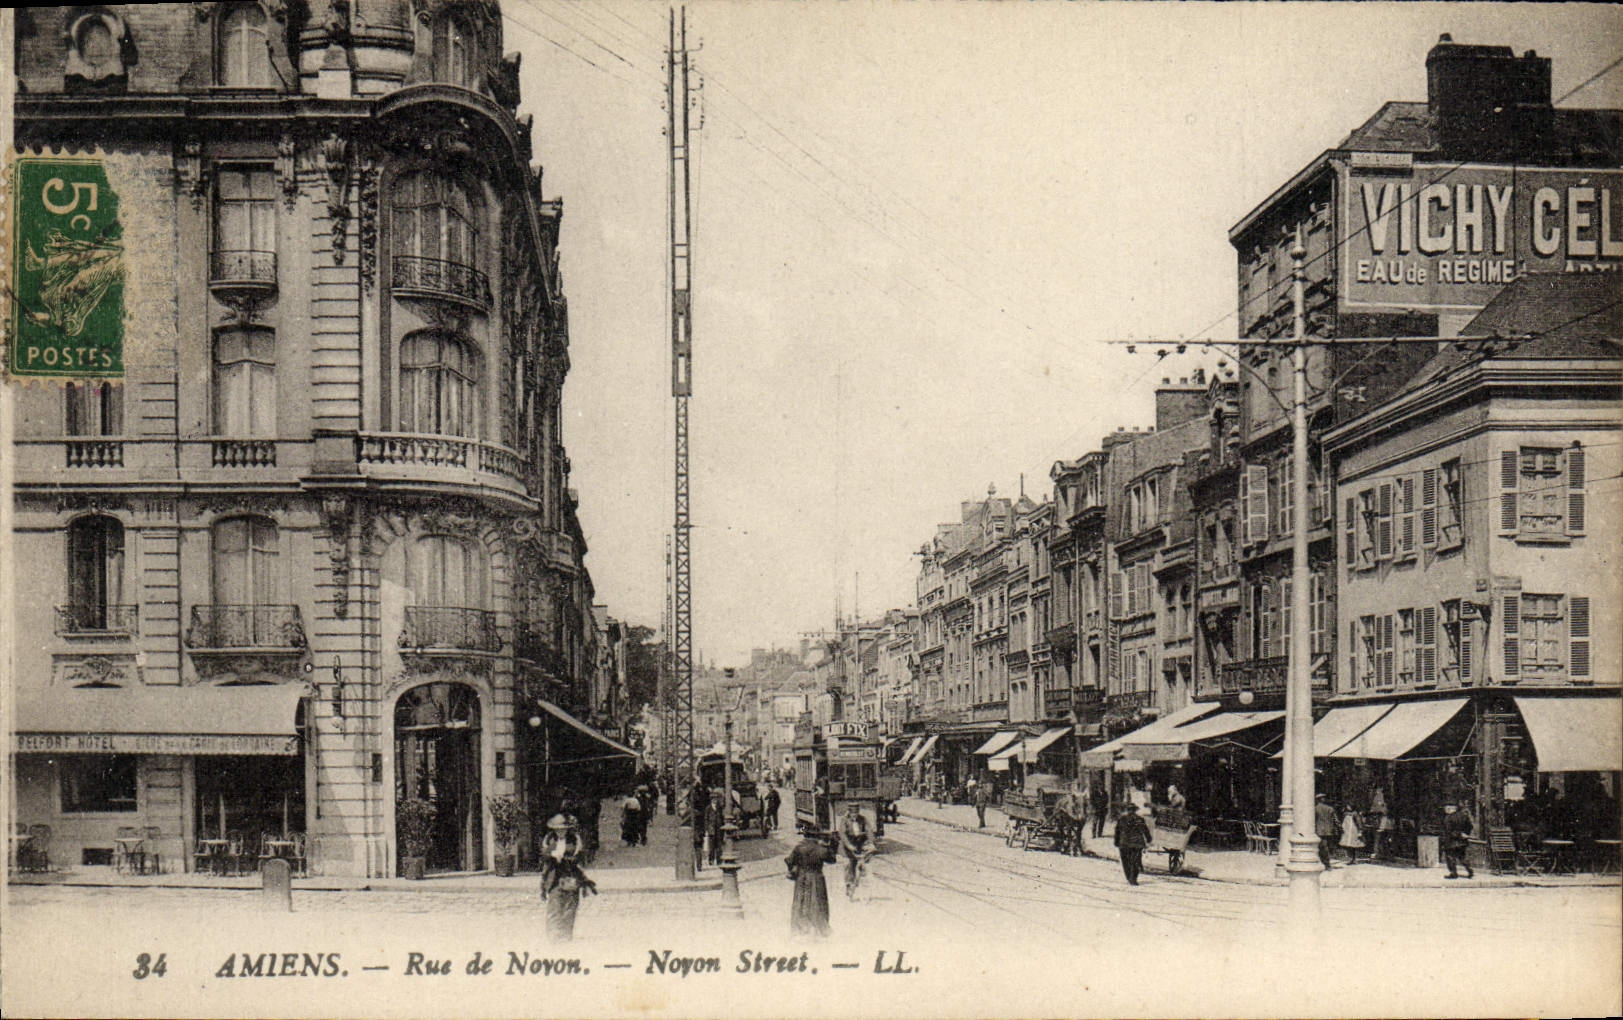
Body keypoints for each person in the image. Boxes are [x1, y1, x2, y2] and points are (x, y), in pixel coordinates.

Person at [538, 814, 597, 943]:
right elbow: (543, 855)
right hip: (554, 878)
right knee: (554, 908)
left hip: (570, 876)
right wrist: (552, 855)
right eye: (558, 829)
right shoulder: (548, 840)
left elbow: (579, 858)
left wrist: (564, 858)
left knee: (569, 907)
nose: (560, 832)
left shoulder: (574, 840)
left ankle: (565, 936)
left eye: (563, 829)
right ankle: (553, 936)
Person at [785, 830, 838, 937]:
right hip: (816, 877)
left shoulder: (799, 848)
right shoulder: (820, 849)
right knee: (818, 902)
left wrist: (794, 869)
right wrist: (833, 845)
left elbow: (789, 860)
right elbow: (832, 859)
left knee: (801, 902)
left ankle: (800, 930)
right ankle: (820, 929)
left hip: (801, 878)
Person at [837, 802, 875, 899]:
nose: (855, 815)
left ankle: (862, 883)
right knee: (848, 864)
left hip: (859, 845)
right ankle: (848, 884)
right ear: (849, 812)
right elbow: (843, 835)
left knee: (864, 864)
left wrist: (871, 843)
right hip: (847, 847)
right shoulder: (844, 820)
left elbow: (869, 831)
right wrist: (849, 845)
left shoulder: (863, 819)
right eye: (853, 813)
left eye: (856, 813)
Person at [1113, 803, 1152, 886]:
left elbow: (1117, 831)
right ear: (1135, 810)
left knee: (1125, 861)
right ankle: (1133, 878)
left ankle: (1128, 877)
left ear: (1127, 810)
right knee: (1136, 861)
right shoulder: (1140, 819)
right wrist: (1149, 839)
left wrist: (1116, 842)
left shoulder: (1122, 819)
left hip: (1124, 843)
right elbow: (1145, 830)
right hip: (1137, 843)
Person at [1442, 801, 1474, 879]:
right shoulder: (1463, 816)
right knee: (1462, 856)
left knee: (1450, 857)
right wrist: (1465, 834)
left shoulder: (1448, 818)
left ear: (1451, 808)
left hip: (1451, 841)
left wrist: (1458, 834)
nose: (1445, 809)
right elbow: (1470, 826)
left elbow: (1449, 831)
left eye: (1447, 808)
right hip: (1462, 841)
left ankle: (1453, 873)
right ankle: (1469, 870)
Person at [1314, 793, 1338, 869]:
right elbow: (1335, 820)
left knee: (1322, 847)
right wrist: (1338, 828)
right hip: (1329, 830)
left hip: (1319, 830)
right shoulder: (1330, 808)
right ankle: (1327, 862)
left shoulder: (1315, 809)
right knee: (1328, 846)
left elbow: (1313, 820)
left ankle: (1326, 864)